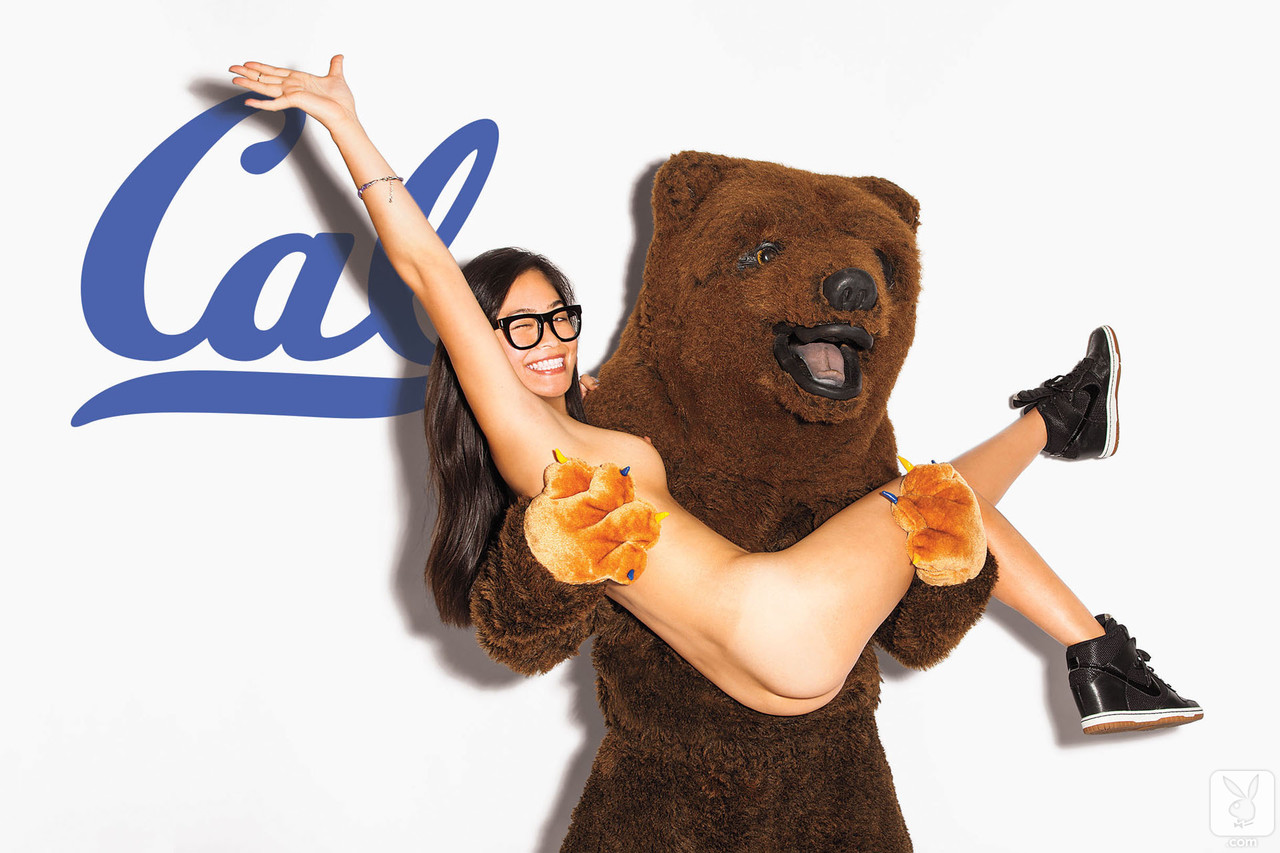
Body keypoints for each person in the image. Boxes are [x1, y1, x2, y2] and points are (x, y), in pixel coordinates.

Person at [228, 56, 1200, 734]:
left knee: (932, 499)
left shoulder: (586, 424)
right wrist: (346, 125)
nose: (547, 340)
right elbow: (422, 267)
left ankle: (1075, 517)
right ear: (479, 349)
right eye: (515, 328)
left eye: (558, 318)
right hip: (779, 620)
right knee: (927, 491)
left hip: (774, 679)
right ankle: (1063, 464)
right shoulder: (525, 442)